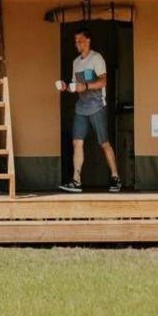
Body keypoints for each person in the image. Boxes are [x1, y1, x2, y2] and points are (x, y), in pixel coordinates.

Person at [56, 27, 121, 193]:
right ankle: (76, 180)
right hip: (81, 107)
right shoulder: (75, 62)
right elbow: (74, 86)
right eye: (76, 41)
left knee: (104, 142)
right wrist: (65, 87)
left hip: (97, 105)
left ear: (88, 41)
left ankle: (115, 177)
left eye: (80, 40)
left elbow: (103, 82)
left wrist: (85, 86)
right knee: (77, 142)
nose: (77, 44)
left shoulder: (96, 58)